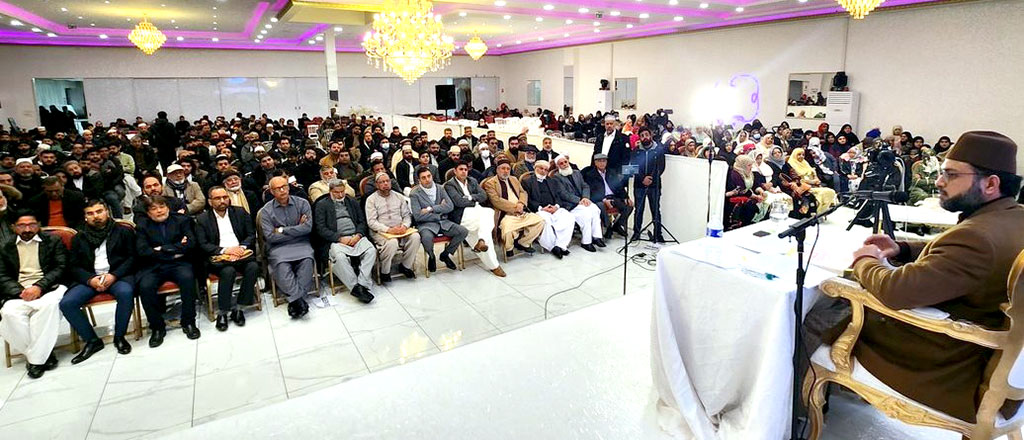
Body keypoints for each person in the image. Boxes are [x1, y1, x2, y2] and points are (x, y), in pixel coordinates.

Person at [814, 131, 1024, 423]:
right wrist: (901, 248)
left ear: (991, 183)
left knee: (817, 316)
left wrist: (865, 260)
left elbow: (894, 291)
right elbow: (958, 256)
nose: (939, 182)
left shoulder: (978, 238)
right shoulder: (1013, 219)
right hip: (997, 364)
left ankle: (788, 416)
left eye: (950, 175)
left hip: (946, 368)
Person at [60, 200, 136, 364]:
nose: (96, 216)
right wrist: (90, 280)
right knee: (67, 303)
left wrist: (113, 275)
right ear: (85, 217)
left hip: (117, 276)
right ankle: (92, 341)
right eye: (90, 213)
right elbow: (73, 266)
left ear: (107, 212)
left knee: (126, 292)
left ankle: (119, 336)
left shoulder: (122, 231)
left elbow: (132, 258)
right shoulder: (79, 237)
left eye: (99, 211)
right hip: (90, 279)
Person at [0, 214, 68, 378]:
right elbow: (2, 275)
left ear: (39, 225)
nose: (27, 229)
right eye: (22, 225)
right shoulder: (4, 247)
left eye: (31, 224)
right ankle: (43, 355)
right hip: (18, 292)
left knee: (48, 307)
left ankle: (36, 360)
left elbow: (60, 267)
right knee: (8, 314)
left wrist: (39, 286)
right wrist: (20, 291)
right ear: (13, 227)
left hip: (50, 287)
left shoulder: (53, 241)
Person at [135, 195, 200, 346]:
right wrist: (176, 248)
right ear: (148, 212)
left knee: (188, 279)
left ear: (168, 208)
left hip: (179, 263)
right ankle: (157, 328)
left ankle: (188, 322)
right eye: (154, 208)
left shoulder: (182, 220)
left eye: (162, 207)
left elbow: (190, 244)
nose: (159, 211)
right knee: (145, 286)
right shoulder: (142, 225)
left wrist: (162, 249)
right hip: (153, 266)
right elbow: (143, 251)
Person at [196, 186, 259, 331]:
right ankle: (223, 312)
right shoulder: (202, 219)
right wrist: (226, 250)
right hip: (220, 257)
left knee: (253, 267)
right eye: (218, 198)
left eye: (225, 197)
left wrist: (241, 248)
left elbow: (251, 234)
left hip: (241, 254)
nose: (222, 201)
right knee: (228, 272)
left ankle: (239, 308)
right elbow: (203, 244)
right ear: (210, 201)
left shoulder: (240, 212)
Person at [259, 176, 315, 319]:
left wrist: (282, 230)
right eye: (278, 188)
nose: (282, 190)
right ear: (271, 191)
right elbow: (270, 237)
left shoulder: (302, 203)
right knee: (281, 266)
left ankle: (295, 301)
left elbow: (308, 228)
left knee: (307, 260)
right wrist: (297, 228)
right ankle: (299, 300)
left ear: (289, 187)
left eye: (284, 186)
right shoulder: (266, 211)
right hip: (278, 247)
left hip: (301, 244)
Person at [313, 179, 376, 303]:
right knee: (340, 258)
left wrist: (358, 235)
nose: (341, 195)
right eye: (337, 192)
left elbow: (362, 221)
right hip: (336, 240)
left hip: (355, 236)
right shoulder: (322, 205)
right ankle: (355, 287)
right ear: (330, 191)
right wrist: (339, 238)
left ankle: (362, 284)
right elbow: (321, 228)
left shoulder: (351, 201)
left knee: (371, 251)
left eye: (342, 192)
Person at [444, 161, 505, 277]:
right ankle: (493, 264)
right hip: (462, 215)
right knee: (488, 213)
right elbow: (458, 202)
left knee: (487, 215)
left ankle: (483, 244)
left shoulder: (472, 181)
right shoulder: (449, 185)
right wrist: (473, 201)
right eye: (461, 169)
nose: (463, 172)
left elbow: (483, 196)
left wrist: (470, 197)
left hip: (476, 211)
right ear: (455, 171)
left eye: (465, 169)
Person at [482, 157, 544, 258]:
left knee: (540, 221)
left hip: (521, 211)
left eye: (508, 169)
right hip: (506, 213)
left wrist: (521, 204)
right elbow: (496, 201)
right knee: (507, 229)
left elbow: (523, 192)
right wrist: (515, 208)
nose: (505, 171)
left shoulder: (514, 179)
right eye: (503, 168)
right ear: (497, 170)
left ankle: (523, 243)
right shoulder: (490, 183)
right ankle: (509, 248)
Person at [409, 167, 468, 272]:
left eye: (429, 176)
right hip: (426, 224)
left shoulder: (440, 188)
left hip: (443, 222)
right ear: (419, 180)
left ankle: (445, 254)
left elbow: (450, 207)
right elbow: (418, 216)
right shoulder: (414, 194)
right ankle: (431, 256)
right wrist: (439, 212)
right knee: (426, 238)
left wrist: (430, 209)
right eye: (423, 178)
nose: (427, 179)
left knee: (463, 231)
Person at [365, 172, 420, 283]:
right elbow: (371, 222)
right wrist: (389, 230)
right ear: (376, 185)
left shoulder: (399, 197)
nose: (385, 184)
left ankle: (405, 266)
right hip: (381, 232)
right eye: (382, 182)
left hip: (400, 229)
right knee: (392, 242)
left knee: (416, 237)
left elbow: (406, 216)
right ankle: (385, 271)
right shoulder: (371, 199)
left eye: (387, 181)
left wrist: (404, 226)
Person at [521, 160, 576, 258]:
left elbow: (558, 196)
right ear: (535, 168)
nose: (543, 171)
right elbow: (528, 200)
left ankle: (561, 245)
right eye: (541, 168)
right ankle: (552, 247)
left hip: (554, 208)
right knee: (545, 221)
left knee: (569, 217)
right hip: (540, 209)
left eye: (546, 170)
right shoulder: (527, 182)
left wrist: (557, 206)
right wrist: (541, 208)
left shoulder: (552, 181)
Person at [552, 155, 605, 251]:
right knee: (586, 215)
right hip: (570, 205)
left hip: (583, 201)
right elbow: (563, 194)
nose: (564, 165)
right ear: (557, 166)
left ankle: (596, 237)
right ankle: (586, 242)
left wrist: (585, 197)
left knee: (595, 209)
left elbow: (585, 186)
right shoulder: (556, 177)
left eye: (565, 162)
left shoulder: (576, 173)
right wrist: (579, 200)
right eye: (561, 163)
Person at [582, 153, 632, 238]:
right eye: (599, 161)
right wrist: (604, 200)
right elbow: (592, 192)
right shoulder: (590, 175)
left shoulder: (611, 172)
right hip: (599, 199)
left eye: (604, 161)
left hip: (613, 197)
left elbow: (619, 187)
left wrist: (626, 197)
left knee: (629, 206)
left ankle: (617, 225)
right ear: (595, 163)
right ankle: (608, 227)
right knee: (601, 206)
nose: (602, 163)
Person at [630, 127, 666, 242]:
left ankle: (658, 234)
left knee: (655, 210)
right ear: (640, 138)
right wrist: (642, 178)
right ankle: (636, 233)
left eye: (647, 134)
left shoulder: (659, 150)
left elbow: (661, 167)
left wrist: (651, 178)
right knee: (638, 210)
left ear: (650, 135)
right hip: (639, 185)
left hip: (654, 185)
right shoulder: (636, 151)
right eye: (642, 135)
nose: (645, 137)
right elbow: (633, 167)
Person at [784, 148, 837, 215]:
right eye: (799, 155)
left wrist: (816, 180)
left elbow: (815, 176)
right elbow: (799, 181)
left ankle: (821, 213)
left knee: (831, 192)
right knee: (829, 192)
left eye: (803, 155)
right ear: (794, 155)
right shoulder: (791, 165)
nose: (801, 156)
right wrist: (812, 182)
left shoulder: (805, 163)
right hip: (804, 188)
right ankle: (820, 213)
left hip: (814, 185)